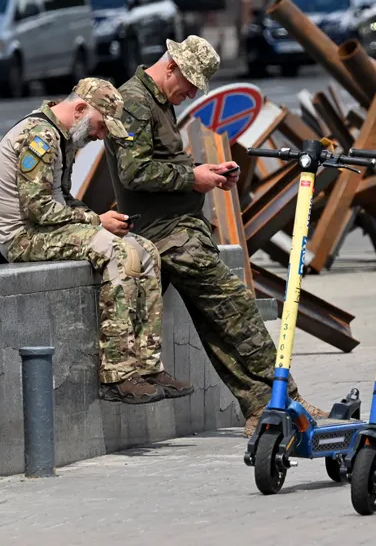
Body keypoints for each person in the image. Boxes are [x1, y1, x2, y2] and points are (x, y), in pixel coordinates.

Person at [102, 36, 327, 436]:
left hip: (181, 229)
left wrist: (207, 172)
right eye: (188, 83)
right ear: (170, 65)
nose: (189, 93)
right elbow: (134, 173)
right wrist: (195, 177)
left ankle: (262, 407)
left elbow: (160, 163)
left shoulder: (158, 100)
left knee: (218, 323)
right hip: (164, 234)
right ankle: (285, 399)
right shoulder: (134, 101)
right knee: (237, 305)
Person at [0, 77, 195, 405]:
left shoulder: (62, 136)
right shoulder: (39, 136)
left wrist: (98, 219)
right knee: (116, 252)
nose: (100, 137)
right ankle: (117, 375)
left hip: (47, 230)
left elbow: (63, 199)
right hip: (22, 238)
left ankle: (148, 365)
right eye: (101, 127)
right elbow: (37, 207)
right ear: (81, 108)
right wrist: (97, 221)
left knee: (146, 251)